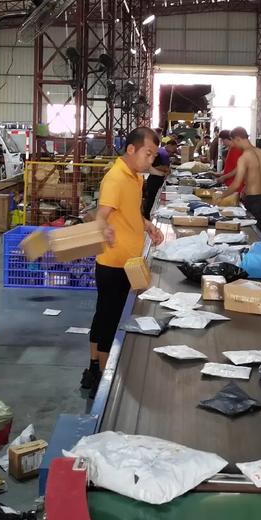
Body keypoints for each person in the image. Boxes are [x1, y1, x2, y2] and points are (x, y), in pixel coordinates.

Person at [82, 126, 165, 395]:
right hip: (113, 263)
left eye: (153, 156)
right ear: (131, 149)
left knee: (104, 314)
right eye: (147, 154)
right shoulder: (116, 178)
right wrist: (103, 227)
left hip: (127, 261)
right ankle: (103, 380)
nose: (150, 160)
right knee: (109, 318)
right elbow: (101, 214)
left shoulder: (135, 177)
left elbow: (129, 211)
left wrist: (146, 225)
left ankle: (93, 368)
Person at [216, 127, 261, 240]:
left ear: (238, 139)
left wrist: (221, 196)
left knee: (254, 237)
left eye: (233, 141)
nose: (233, 145)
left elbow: (236, 184)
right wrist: (249, 187)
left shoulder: (244, 157)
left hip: (254, 202)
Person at [142, 141, 170, 219]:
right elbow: (149, 168)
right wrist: (163, 171)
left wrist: (163, 173)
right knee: (151, 200)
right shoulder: (159, 154)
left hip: (156, 179)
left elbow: (164, 168)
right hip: (154, 180)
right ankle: (147, 216)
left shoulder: (159, 154)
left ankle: (148, 216)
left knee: (152, 199)